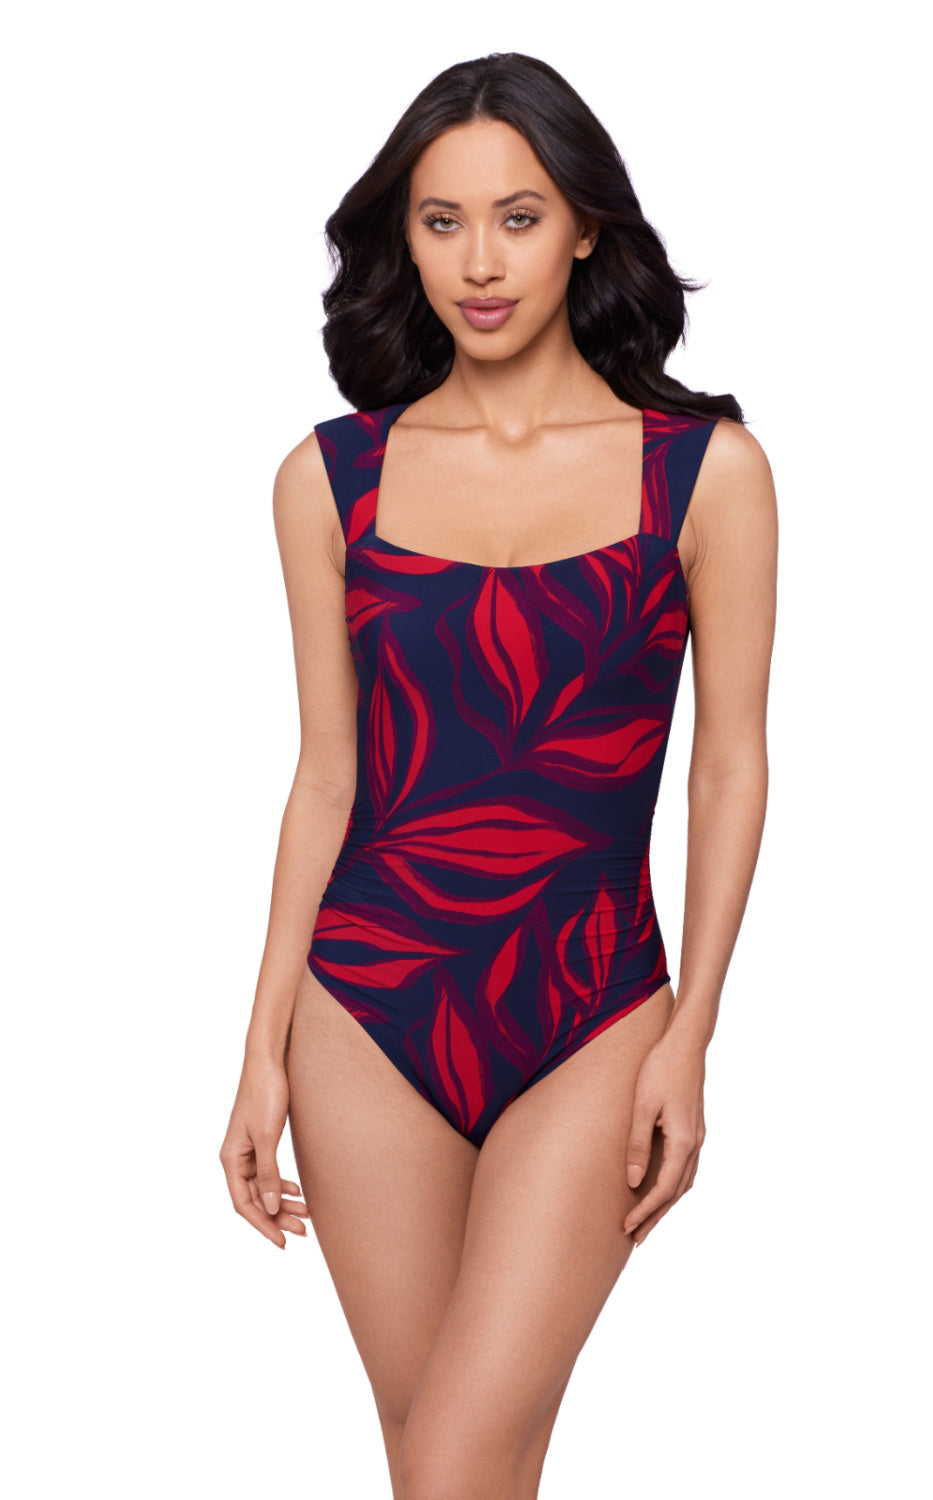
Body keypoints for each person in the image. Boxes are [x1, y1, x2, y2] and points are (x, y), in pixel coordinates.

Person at [220, 51, 776, 1497]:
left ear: (585, 226)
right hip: (368, 1008)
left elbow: (729, 765)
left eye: (519, 218)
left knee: (460, 1456)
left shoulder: (704, 473)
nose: (480, 262)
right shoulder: (328, 479)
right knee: (448, 1469)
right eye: (442, 220)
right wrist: (262, 1046)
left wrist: (693, 1035)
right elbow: (325, 778)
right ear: (403, 239)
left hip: (595, 1008)